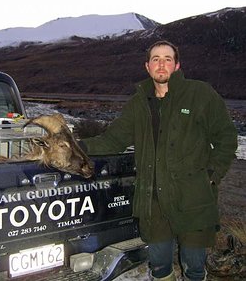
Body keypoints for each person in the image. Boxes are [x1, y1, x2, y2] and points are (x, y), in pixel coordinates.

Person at [80, 40, 238, 281]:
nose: (161, 64)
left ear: (176, 65)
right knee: (160, 265)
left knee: (194, 266)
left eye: (167, 59)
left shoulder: (200, 94)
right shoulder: (138, 103)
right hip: (153, 200)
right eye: (156, 59)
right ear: (147, 66)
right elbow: (112, 140)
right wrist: (77, 147)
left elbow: (226, 137)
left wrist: (212, 175)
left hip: (193, 197)